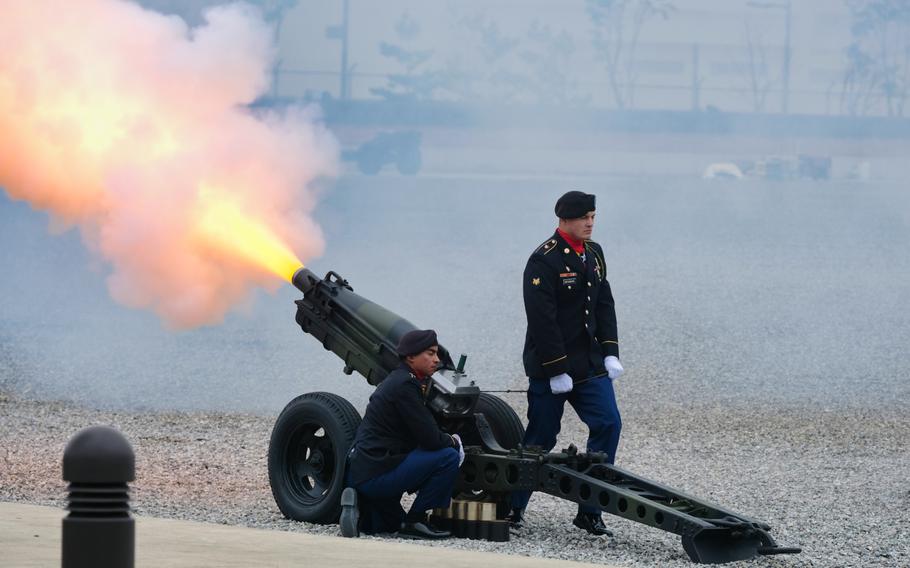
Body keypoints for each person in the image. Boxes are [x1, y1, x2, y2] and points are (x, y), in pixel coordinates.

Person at [510, 190, 624, 536]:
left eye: (593, 216)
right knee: (541, 438)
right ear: (564, 220)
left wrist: (610, 350)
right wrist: (557, 369)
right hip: (551, 366)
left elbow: (604, 303)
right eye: (583, 218)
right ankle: (513, 509)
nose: (590, 223)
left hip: (588, 364)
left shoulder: (594, 253)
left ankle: (590, 510)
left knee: (608, 424)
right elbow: (542, 320)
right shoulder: (544, 260)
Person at [340, 329, 465, 539]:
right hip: (377, 472)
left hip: (364, 468)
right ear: (411, 357)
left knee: (386, 524)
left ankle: (357, 502)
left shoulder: (399, 379)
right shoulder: (405, 385)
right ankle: (415, 521)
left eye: (437, 354)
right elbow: (431, 439)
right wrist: (454, 441)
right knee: (448, 457)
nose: (437, 359)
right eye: (430, 353)